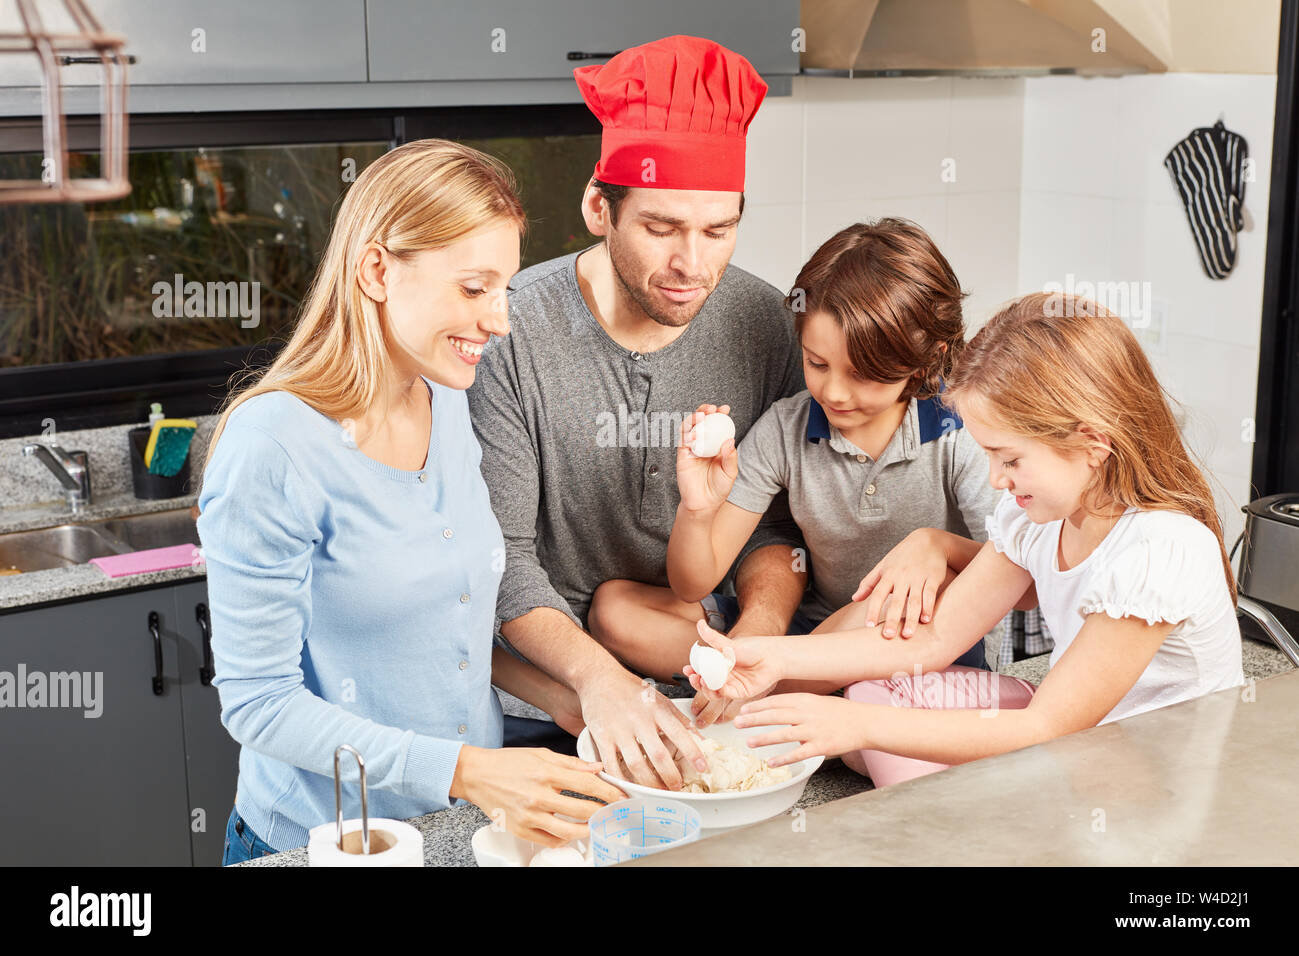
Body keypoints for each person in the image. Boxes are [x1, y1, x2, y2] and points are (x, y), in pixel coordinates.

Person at [198, 139, 622, 865]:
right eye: (472, 287)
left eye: (505, 290)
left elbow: (437, 631)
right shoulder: (273, 446)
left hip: (460, 828)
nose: (499, 321)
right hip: (325, 844)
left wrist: (560, 695)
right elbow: (258, 703)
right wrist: (470, 769)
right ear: (376, 271)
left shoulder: (444, 399)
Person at [685, 292, 1245, 787]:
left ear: (1092, 444)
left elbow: (1047, 724)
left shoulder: (1157, 550)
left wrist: (854, 726)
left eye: (1010, 459)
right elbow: (933, 642)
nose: (997, 480)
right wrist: (771, 655)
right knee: (874, 701)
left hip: (1154, 776)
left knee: (870, 727)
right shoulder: (1038, 518)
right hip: (1083, 738)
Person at [466, 35, 809, 791]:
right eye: (661, 228)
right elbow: (502, 559)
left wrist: (755, 644)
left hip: (709, 694)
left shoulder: (764, 322)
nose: (693, 264)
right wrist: (598, 683)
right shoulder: (508, 332)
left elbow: (779, 528)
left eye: (718, 230)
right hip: (552, 706)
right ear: (600, 206)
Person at [602, 219, 1004, 727]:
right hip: (814, 632)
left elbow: (1021, 572)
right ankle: (777, 681)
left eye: (863, 375)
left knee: (936, 583)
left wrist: (939, 547)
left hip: (918, 643)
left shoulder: (959, 433)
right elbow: (691, 583)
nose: (835, 393)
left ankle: (758, 685)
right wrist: (698, 510)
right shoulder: (787, 429)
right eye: (817, 363)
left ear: (926, 361)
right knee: (615, 608)